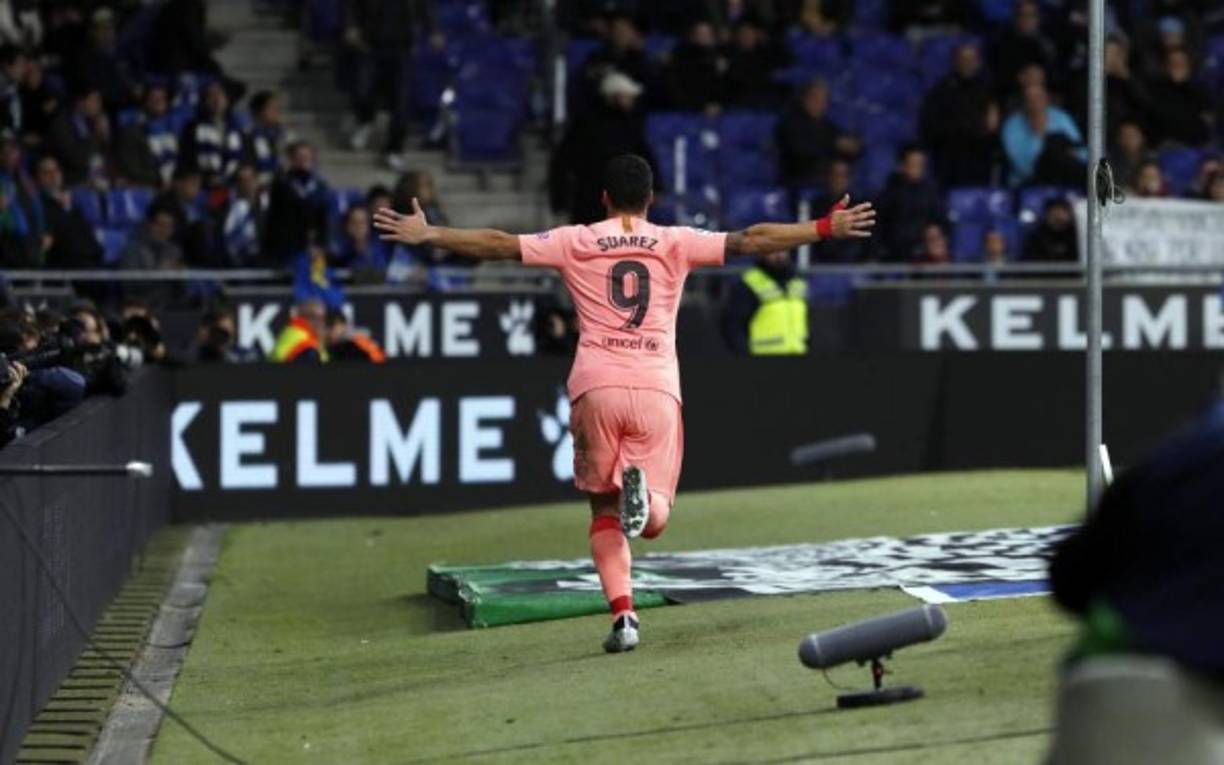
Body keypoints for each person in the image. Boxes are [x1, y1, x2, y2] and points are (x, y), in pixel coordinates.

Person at [373, 153, 875, 652]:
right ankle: (648, 504)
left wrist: (432, 233)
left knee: (603, 514)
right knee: (654, 520)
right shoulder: (674, 241)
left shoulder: (575, 240)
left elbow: (499, 244)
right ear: (651, 199)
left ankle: (625, 615)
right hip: (656, 385)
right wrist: (825, 226)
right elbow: (751, 240)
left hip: (597, 385)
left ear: (605, 198)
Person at [549, 72, 658, 225]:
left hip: (619, 201)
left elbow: (645, 155)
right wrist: (560, 198)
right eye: (628, 96)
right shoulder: (585, 125)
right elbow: (563, 162)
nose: (632, 101)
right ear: (614, 97)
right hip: (590, 200)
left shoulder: (629, 125)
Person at [344, 0, 437, 170]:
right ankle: (365, 120)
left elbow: (425, 8)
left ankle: (394, 149)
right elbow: (352, 5)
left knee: (401, 103)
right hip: (370, 44)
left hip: (403, 48)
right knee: (362, 91)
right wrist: (351, 25)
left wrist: (433, 30)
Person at [921, 43, 999, 187]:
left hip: (979, 157)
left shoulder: (986, 89)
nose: (968, 63)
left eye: (972, 59)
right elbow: (931, 126)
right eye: (964, 59)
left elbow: (993, 123)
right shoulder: (941, 90)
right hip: (950, 157)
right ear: (955, 61)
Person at [776, 78, 859, 190]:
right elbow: (800, 151)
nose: (819, 103)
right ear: (804, 99)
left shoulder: (827, 126)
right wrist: (834, 144)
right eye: (814, 98)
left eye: (823, 99)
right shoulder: (790, 124)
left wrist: (852, 146)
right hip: (799, 180)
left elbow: (845, 143)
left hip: (826, 180)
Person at [721, 249, 808, 355]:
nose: (780, 253)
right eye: (773, 249)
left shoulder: (797, 282)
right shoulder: (748, 284)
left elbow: (807, 323)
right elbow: (732, 328)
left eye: (784, 248)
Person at [871, 145, 948, 262]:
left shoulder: (931, 192)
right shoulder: (889, 194)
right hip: (894, 253)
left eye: (921, 165)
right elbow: (879, 228)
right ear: (902, 166)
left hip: (924, 254)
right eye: (913, 164)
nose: (918, 169)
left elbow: (940, 221)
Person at [1002, 83, 1085, 186]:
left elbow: (1081, 151)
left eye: (1038, 98)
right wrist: (1037, 134)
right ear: (1023, 103)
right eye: (1030, 100)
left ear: (1046, 98)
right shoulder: (1012, 125)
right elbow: (1023, 166)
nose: (1035, 103)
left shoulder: (1060, 117)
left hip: (1066, 177)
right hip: (1028, 183)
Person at [263, 140, 330, 264]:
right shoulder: (282, 185)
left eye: (307, 157)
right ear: (291, 159)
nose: (304, 160)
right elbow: (276, 219)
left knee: (318, 279)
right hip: (288, 249)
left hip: (315, 250)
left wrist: (320, 244)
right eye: (300, 157)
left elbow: (323, 219)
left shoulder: (320, 186)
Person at [36, 155, 102, 269]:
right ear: (39, 177)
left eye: (56, 170)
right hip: (65, 262)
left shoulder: (73, 204)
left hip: (88, 259)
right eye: (47, 172)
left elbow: (87, 234)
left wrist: (67, 208)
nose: (53, 175)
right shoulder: (40, 204)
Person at [178, 80, 245, 190]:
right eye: (211, 95)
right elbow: (187, 159)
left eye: (220, 94)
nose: (216, 100)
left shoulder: (237, 128)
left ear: (227, 99)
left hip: (231, 185)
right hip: (202, 186)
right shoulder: (192, 128)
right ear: (204, 101)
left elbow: (242, 159)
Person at [1145, 47, 1213, 147]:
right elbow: (1160, 120)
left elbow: (1206, 123)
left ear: (1189, 67)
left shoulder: (1200, 90)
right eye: (1174, 63)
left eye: (1182, 63)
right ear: (1166, 67)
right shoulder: (1155, 90)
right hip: (1165, 146)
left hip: (1197, 146)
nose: (1178, 67)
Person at [664, 19, 724, 113]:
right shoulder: (682, 57)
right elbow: (680, 86)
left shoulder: (718, 57)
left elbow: (719, 86)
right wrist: (700, 106)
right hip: (686, 109)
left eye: (707, 34)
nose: (704, 37)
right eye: (700, 33)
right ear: (693, 36)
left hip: (712, 109)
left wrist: (716, 103)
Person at [247, 90, 287, 186]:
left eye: (277, 108)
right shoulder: (248, 137)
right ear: (258, 111)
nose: (276, 111)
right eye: (271, 108)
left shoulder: (284, 136)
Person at [270, 298, 328, 364]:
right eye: (321, 318)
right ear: (310, 318)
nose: (324, 323)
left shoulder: (292, 331)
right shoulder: (307, 345)